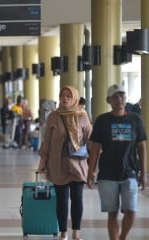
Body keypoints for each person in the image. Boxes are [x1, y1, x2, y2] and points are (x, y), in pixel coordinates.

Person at [87, 84, 147, 240]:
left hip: (130, 172)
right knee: (112, 213)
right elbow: (95, 148)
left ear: (125, 98)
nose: (119, 99)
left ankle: (122, 238)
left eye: (122, 95)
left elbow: (141, 146)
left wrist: (144, 174)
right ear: (108, 100)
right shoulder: (102, 120)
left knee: (131, 211)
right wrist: (90, 172)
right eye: (115, 96)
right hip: (107, 173)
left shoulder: (135, 119)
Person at [38, 86, 92, 240]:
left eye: (69, 96)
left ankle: (76, 232)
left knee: (77, 198)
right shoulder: (53, 116)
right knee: (61, 200)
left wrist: (95, 163)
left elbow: (90, 139)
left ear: (74, 98)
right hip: (58, 164)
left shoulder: (82, 116)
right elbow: (47, 140)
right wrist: (43, 161)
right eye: (63, 95)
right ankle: (63, 232)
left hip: (78, 164)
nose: (65, 98)